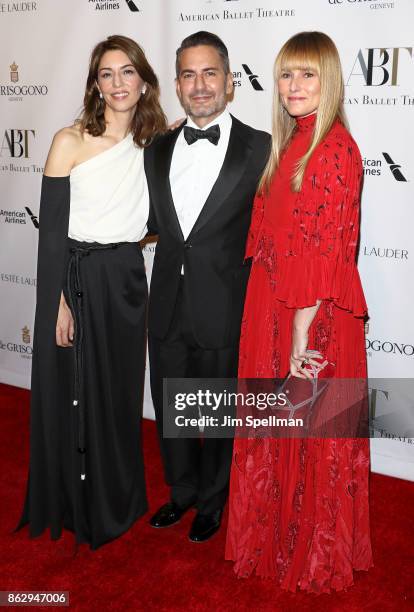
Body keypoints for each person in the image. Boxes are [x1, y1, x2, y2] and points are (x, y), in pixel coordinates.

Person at [225, 31, 373, 592]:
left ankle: (312, 551)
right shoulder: (293, 143)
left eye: (308, 74)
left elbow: (325, 251)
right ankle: (276, 538)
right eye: (287, 74)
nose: (294, 85)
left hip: (311, 316)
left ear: (329, 80)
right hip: (277, 304)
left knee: (310, 431)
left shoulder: (334, 150)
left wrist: (299, 335)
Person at [16, 35, 166, 549]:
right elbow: (51, 231)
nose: (119, 83)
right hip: (78, 280)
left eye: (128, 72)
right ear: (95, 84)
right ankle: (83, 505)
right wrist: (56, 299)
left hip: (126, 278)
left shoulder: (154, 143)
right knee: (81, 391)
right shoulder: (70, 140)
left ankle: (121, 497)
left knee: (121, 395)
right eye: (107, 73)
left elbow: (156, 217)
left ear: (143, 80)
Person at [144, 31, 270, 542]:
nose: (200, 85)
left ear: (230, 82)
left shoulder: (261, 147)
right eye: (189, 75)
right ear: (177, 84)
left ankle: (214, 501)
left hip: (224, 305)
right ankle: (183, 491)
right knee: (172, 406)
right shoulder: (155, 150)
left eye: (210, 73)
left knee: (217, 411)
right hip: (166, 303)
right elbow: (148, 220)